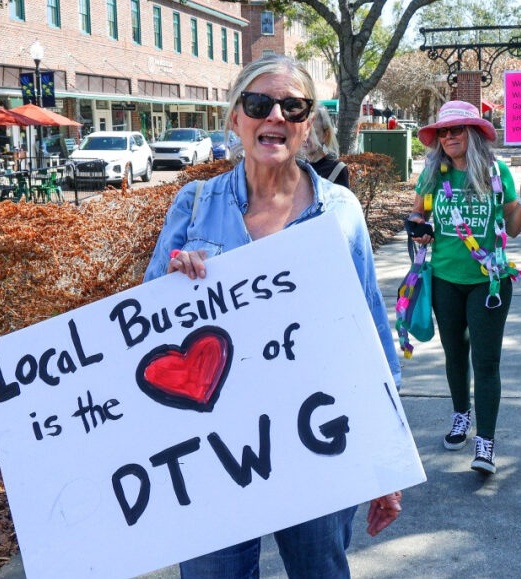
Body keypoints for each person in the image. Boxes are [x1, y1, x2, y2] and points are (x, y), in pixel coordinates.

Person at [144, 55, 403, 578]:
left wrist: (387, 456)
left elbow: (370, 333)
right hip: (211, 452)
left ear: (309, 123)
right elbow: (145, 327)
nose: (275, 117)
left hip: (317, 439)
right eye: (259, 104)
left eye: (293, 106)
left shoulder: (341, 211)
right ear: (235, 118)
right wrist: (173, 282)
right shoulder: (193, 206)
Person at [406, 100, 521, 475]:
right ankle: (461, 416)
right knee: (454, 355)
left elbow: (512, 227)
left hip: (490, 281)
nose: (449, 137)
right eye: (443, 132)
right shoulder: (434, 174)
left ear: (474, 134)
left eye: (457, 130)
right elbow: (418, 214)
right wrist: (418, 227)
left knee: (485, 362)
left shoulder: (496, 173)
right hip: (446, 281)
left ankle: (486, 443)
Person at [301, 106, 349, 187]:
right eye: (303, 132)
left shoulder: (337, 169)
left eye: (313, 134)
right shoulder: (297, 167)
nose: (306, 138)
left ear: (325, 135)